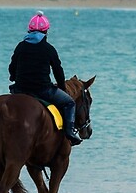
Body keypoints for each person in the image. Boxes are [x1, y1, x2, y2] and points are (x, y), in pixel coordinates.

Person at [8, 12, 82, 145]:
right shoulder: (49, 49)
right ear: (46, 31)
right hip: (42, 90)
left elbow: (12, 68)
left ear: (29, 30)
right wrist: (62, 87)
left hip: (20, 90)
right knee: (69, 103)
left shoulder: (20, 46)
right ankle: (70, 132)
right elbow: (58, 71)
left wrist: (13, 77)